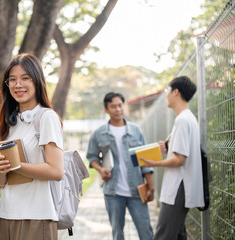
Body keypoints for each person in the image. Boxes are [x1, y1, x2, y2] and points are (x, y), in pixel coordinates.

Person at [0, 53, 64, 240]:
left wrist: (17, 166)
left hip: (37, 216)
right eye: (12, 80)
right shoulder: (5, 124)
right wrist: (2, 170)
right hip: (6, 214)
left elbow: (56, 171)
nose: (18, 85)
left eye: (25, 78)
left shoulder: (46, 117)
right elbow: (0, 180)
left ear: (37, 81)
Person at [142, 76, 204, 240]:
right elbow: (182, 153)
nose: (166, 95)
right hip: (182, 185)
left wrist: (154, 163)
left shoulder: (182, 120)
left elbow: (179, 159)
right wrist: (169, 148)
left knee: (164, 235)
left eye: (167, 90)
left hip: (179, 186)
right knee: (178, 234)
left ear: (175, 92)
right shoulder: (187, 118)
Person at [86, 92, 154, 240]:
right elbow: (91, 157)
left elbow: (145, 160)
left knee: (146, 231)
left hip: (136, 191)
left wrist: (151, 185)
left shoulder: (136, 131)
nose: (118, 109)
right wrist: (100, 169)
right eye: (113, 106)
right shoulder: (99, 134)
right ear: (106, 109)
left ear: (124, 106)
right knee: (118, 234)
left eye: (120, 105)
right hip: (113, 193)